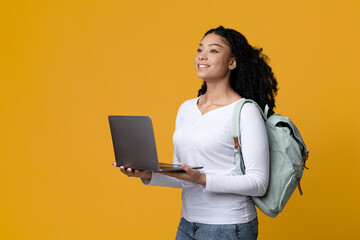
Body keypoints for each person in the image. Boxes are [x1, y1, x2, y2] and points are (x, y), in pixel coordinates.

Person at [112, 26, 278, 240]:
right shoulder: (186, 109)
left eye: (213, 51)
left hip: (229, 228)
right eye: (200, 49)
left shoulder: (245, 111)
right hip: (188, 225)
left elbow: (258, 182)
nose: (202, 56)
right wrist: (147, 174)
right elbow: (183, 177)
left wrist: (202, 179)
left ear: (232, 62)